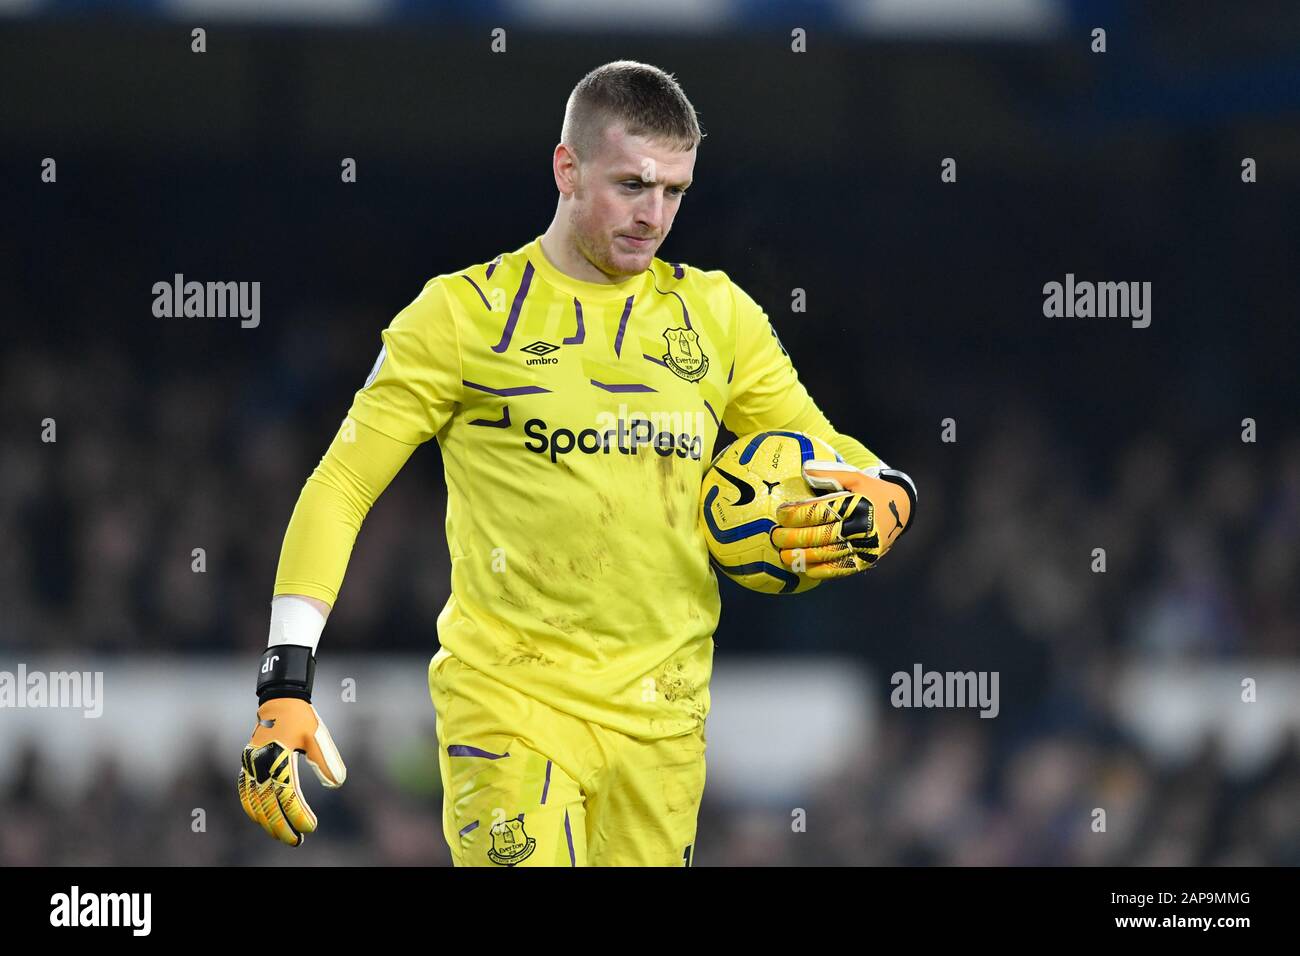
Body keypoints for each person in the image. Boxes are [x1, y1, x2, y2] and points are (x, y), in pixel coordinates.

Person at [237, 60, 916, 867]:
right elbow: (342, 486)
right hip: (510, 707)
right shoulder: (461, 316)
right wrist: (284, 684)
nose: (653, 216)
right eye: (632, 185)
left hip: (663, 723)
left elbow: (837, 457)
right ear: (567, 168)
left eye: (674, 192)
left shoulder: (721, 319)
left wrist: (889, 502)